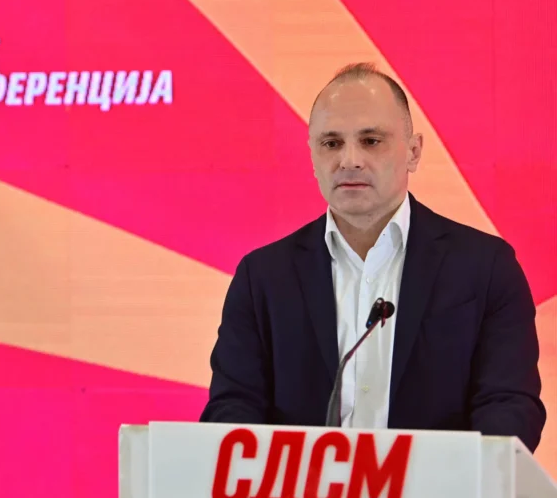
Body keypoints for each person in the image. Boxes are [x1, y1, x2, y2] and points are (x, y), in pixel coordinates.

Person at [200, 62, 546, 452]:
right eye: (331, 143)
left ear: (413, 152)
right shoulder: (262, 278)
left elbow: (509, 407)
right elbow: (232, 409)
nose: (349, 160)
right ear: (312, 157)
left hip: (438, 490)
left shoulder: (486, 268)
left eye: (371, 140)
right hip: (304, 491)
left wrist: (459, 478)